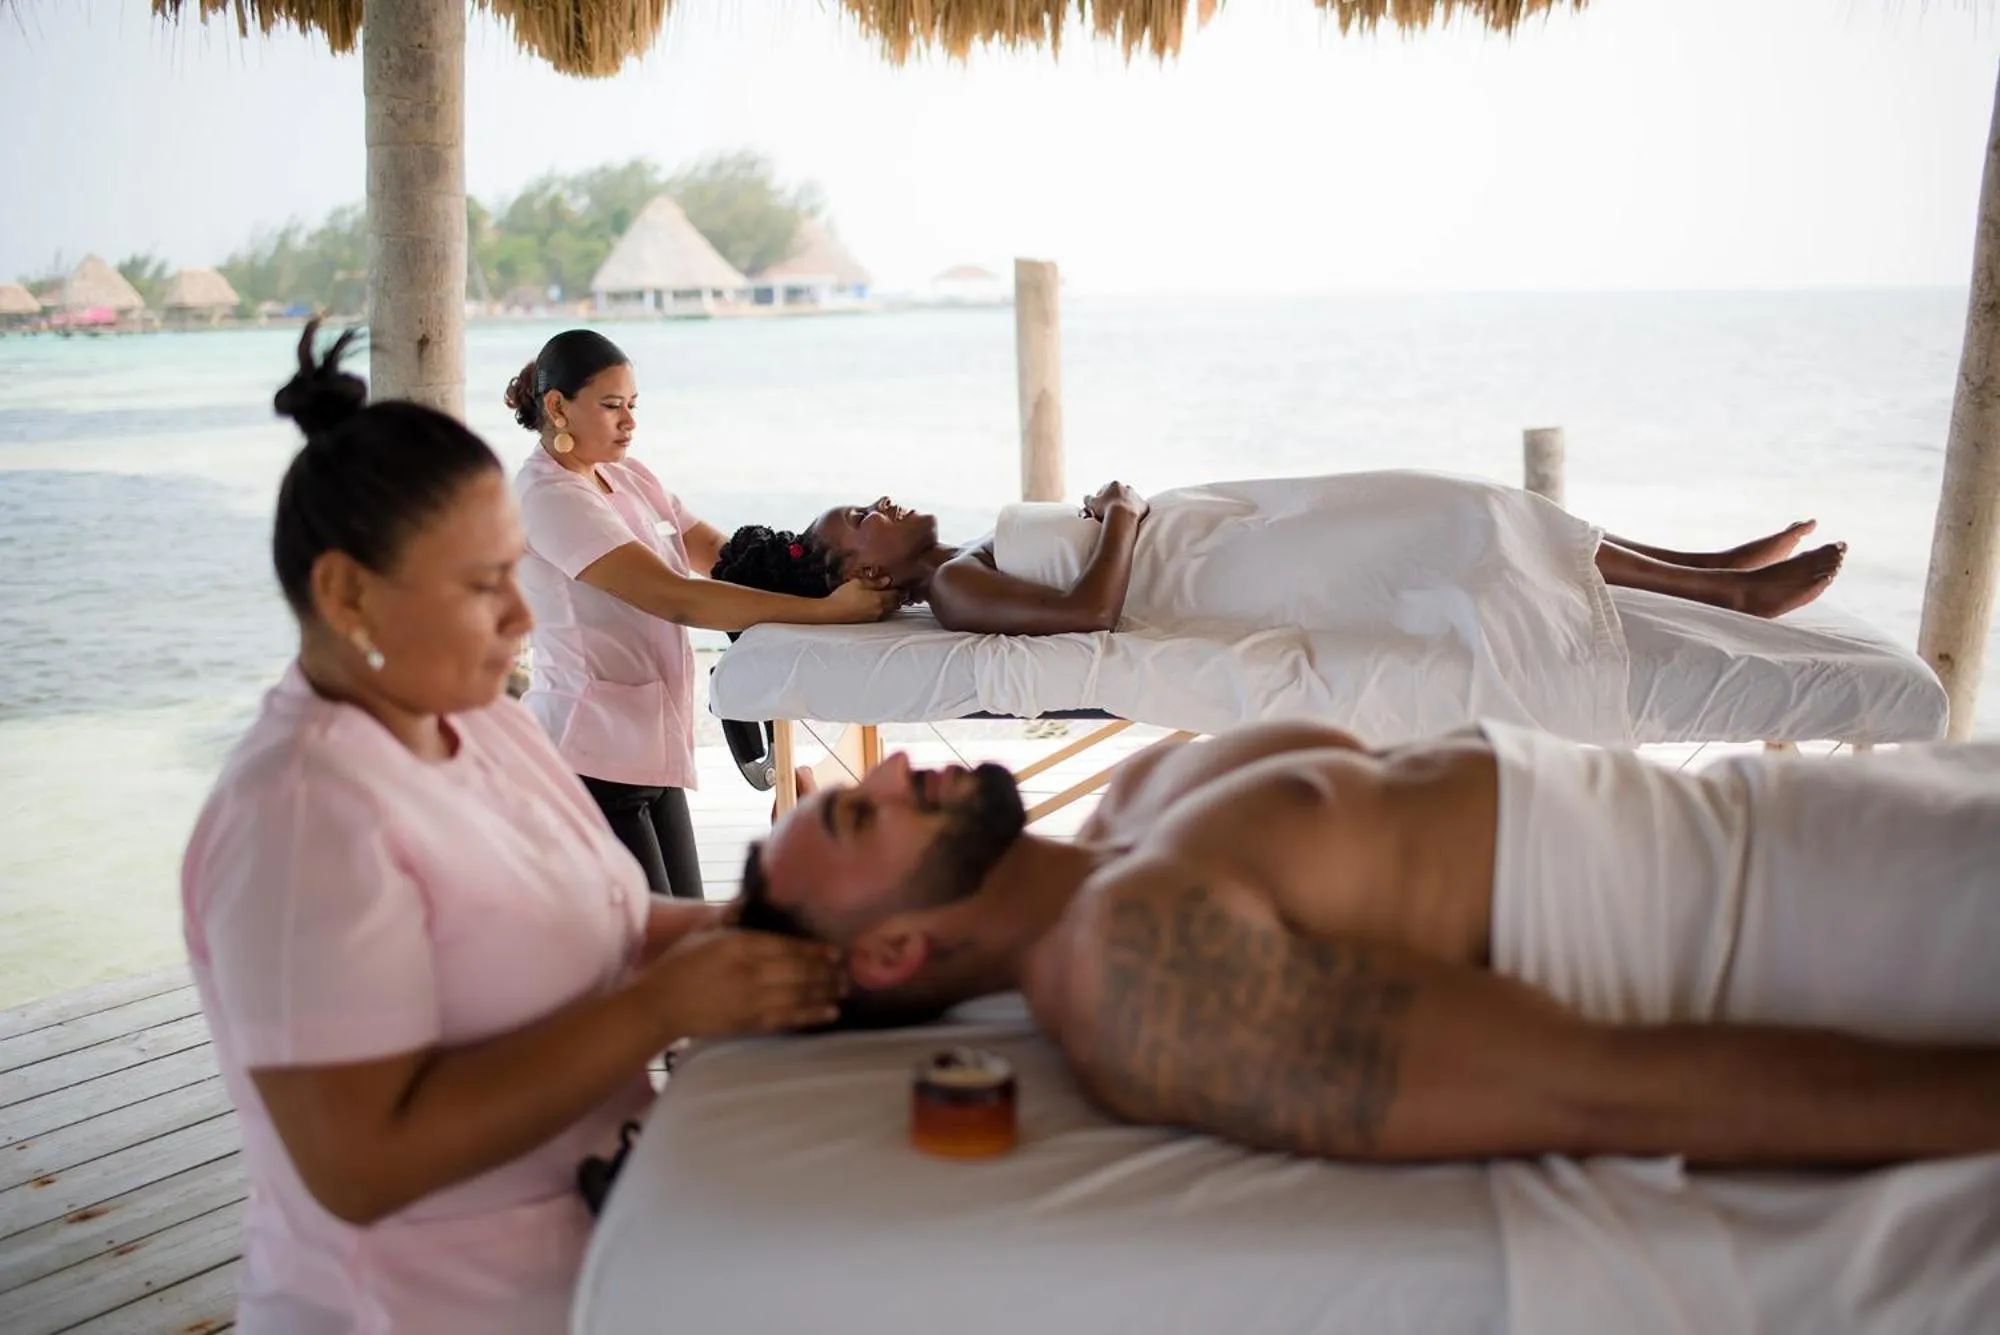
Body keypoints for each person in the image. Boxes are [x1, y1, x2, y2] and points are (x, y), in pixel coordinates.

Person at [180, 323, 844, 1333]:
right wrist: (663, 1003)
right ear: (347, 593)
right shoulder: (300, 816)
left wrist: (765, 924)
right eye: (483, 585)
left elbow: (599, 917)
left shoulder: (478, 719)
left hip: (596, 1261)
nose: (524, 617)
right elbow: (360, 1164)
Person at [733, 720, 2000, 1166]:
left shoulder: (1127, 815)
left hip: (1842, 809)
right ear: (892, 953)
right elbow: (1601, 1091)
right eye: (857, 812)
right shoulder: (1129, 970)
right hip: (1832, 914)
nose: (889, 762)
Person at [506, 330, 897, 900]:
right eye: (611, 406)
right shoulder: (550, 497)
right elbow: (677, 596)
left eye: (633, 406)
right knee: (657, 947)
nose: (629, 423)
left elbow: (722, 558)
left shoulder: (630, 476)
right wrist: (829, 613)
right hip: (589, 754)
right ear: (558, 405)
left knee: (685, 918)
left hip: (650, 747)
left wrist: (838, 564)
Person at [711, 474, 1847, 637]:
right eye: (855, 522)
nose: (877, 505)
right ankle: (1723, 589)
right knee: (1463, 528)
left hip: (1221, 527)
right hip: (1215, 573)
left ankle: (1706, 565)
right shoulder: (952, 588)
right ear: (861, 576)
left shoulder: (960, 557)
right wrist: (1120, 526)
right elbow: (1093, 619)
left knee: (1470, 498)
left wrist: (1125, 515)